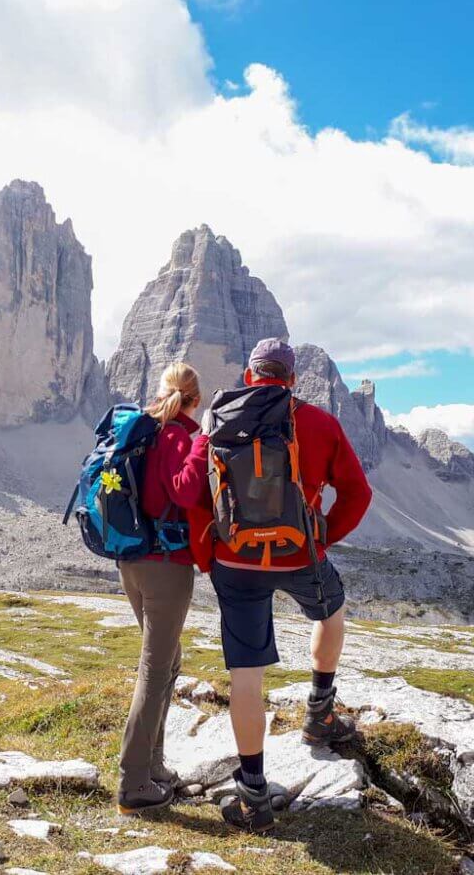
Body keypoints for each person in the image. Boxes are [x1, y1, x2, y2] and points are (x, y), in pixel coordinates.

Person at [187, 338, 373, 833]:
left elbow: (193, 493)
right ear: (291, 379)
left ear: (250, 375)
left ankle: (253, 796)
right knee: (331, 614)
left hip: (235, 560)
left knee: (246, 678)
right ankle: (319, 713)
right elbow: (358, 491)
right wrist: (323, 536)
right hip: (299, 554)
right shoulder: (318, 422)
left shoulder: (218, 417)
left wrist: (210, 555)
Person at [116, 362, 211, 816]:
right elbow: (182, 493)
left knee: (169, 661)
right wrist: (203, 445)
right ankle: (134, 782)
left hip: (131, 561)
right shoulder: (178, 436)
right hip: (165, 566)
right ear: (195, 398)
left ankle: (153, 767)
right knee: (155, 669)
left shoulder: (147, 431)